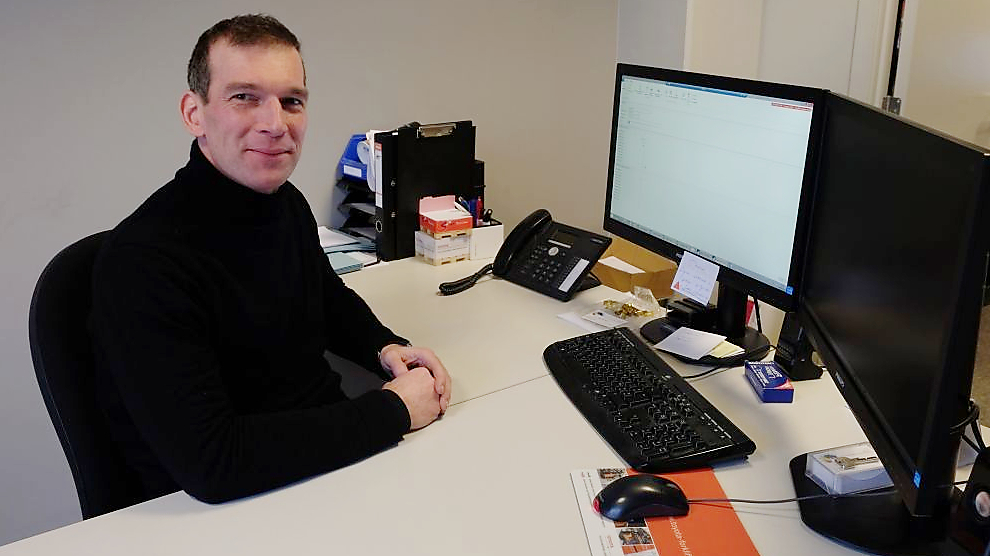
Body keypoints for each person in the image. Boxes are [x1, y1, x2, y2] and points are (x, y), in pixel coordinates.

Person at [88, 14, 451, 505]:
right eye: (245, 97)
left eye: (291, 101)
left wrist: (384, 347)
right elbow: (214, 464)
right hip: (238, 506)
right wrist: (393, 411)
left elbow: (325, 298)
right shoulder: (142, 262)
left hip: (326, 464)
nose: (276, 124)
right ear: (195, 114)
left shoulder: (284, 202)